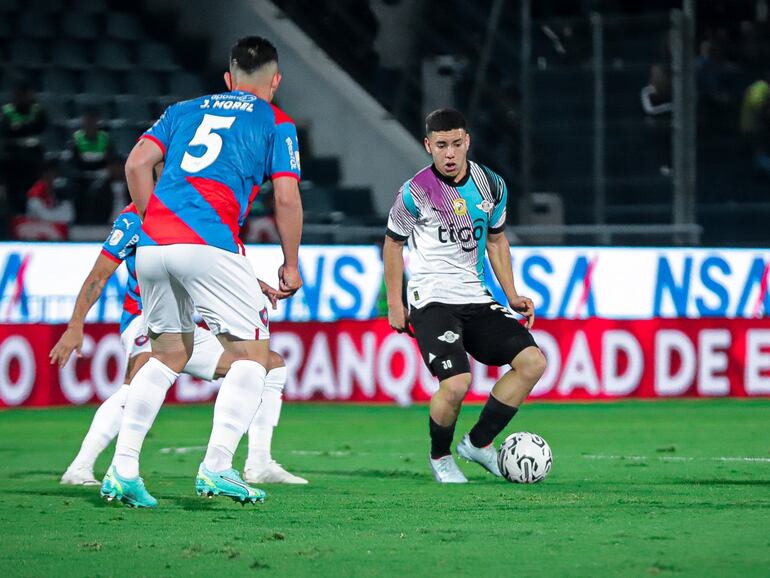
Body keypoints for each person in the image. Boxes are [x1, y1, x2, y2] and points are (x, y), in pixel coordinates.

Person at [100, 36, 304, 508]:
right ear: (275, 81)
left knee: (167, 354)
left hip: (153, 248)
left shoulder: (182, 110)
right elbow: (287, 197)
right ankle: (217, 466)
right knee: (253, 357)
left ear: (229, 79)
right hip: (208, 241)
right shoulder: (276, 121)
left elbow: (136, 164)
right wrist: (290, 263)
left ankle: (123, 468)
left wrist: (153, 223)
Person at [50, 204, 307, 487]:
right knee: (137, 379)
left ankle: (259, 463)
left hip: (183, 324)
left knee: (269, 365)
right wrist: (75, 326)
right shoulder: (135, 217)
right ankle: (80, 467)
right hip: (144, 319)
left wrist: (254, 283)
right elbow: (98, 277)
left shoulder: (196, 211)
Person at [383, 108, 546, 484]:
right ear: (428, 146)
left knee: (533, 363)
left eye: (457, 143)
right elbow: (392, 246)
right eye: (442, 145)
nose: (450, 153)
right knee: (456, 384)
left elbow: (496, 239)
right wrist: (396, 302)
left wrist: (512, 294)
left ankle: (478, 442)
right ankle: (440, 456)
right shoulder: (415, 192)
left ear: (467, 141)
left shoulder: (492, 185)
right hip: (432, 301)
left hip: (476, 296)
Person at [1, 80, 48, 215]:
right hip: (12, 159)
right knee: (13, 193)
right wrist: (26, 128)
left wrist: (18, 128)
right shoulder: (7, 111)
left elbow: (40, 127)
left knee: (33, 193)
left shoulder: (38, 111)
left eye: (25, 94)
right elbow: (5, 130)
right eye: (19, 94)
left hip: (33, 159)